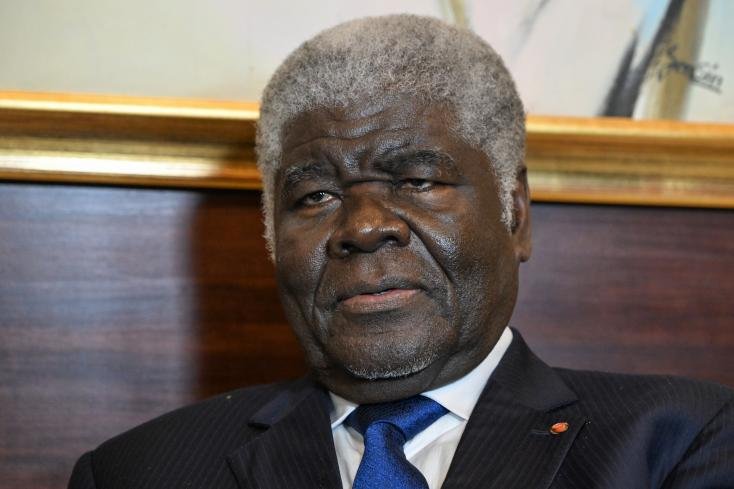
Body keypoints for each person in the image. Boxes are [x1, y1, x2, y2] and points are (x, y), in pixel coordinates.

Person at [68, 14, 733, 489]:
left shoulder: (679, 442)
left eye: (416, 180)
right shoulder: (137, 473)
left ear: (515, 212)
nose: (363, 227)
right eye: (315, 196)